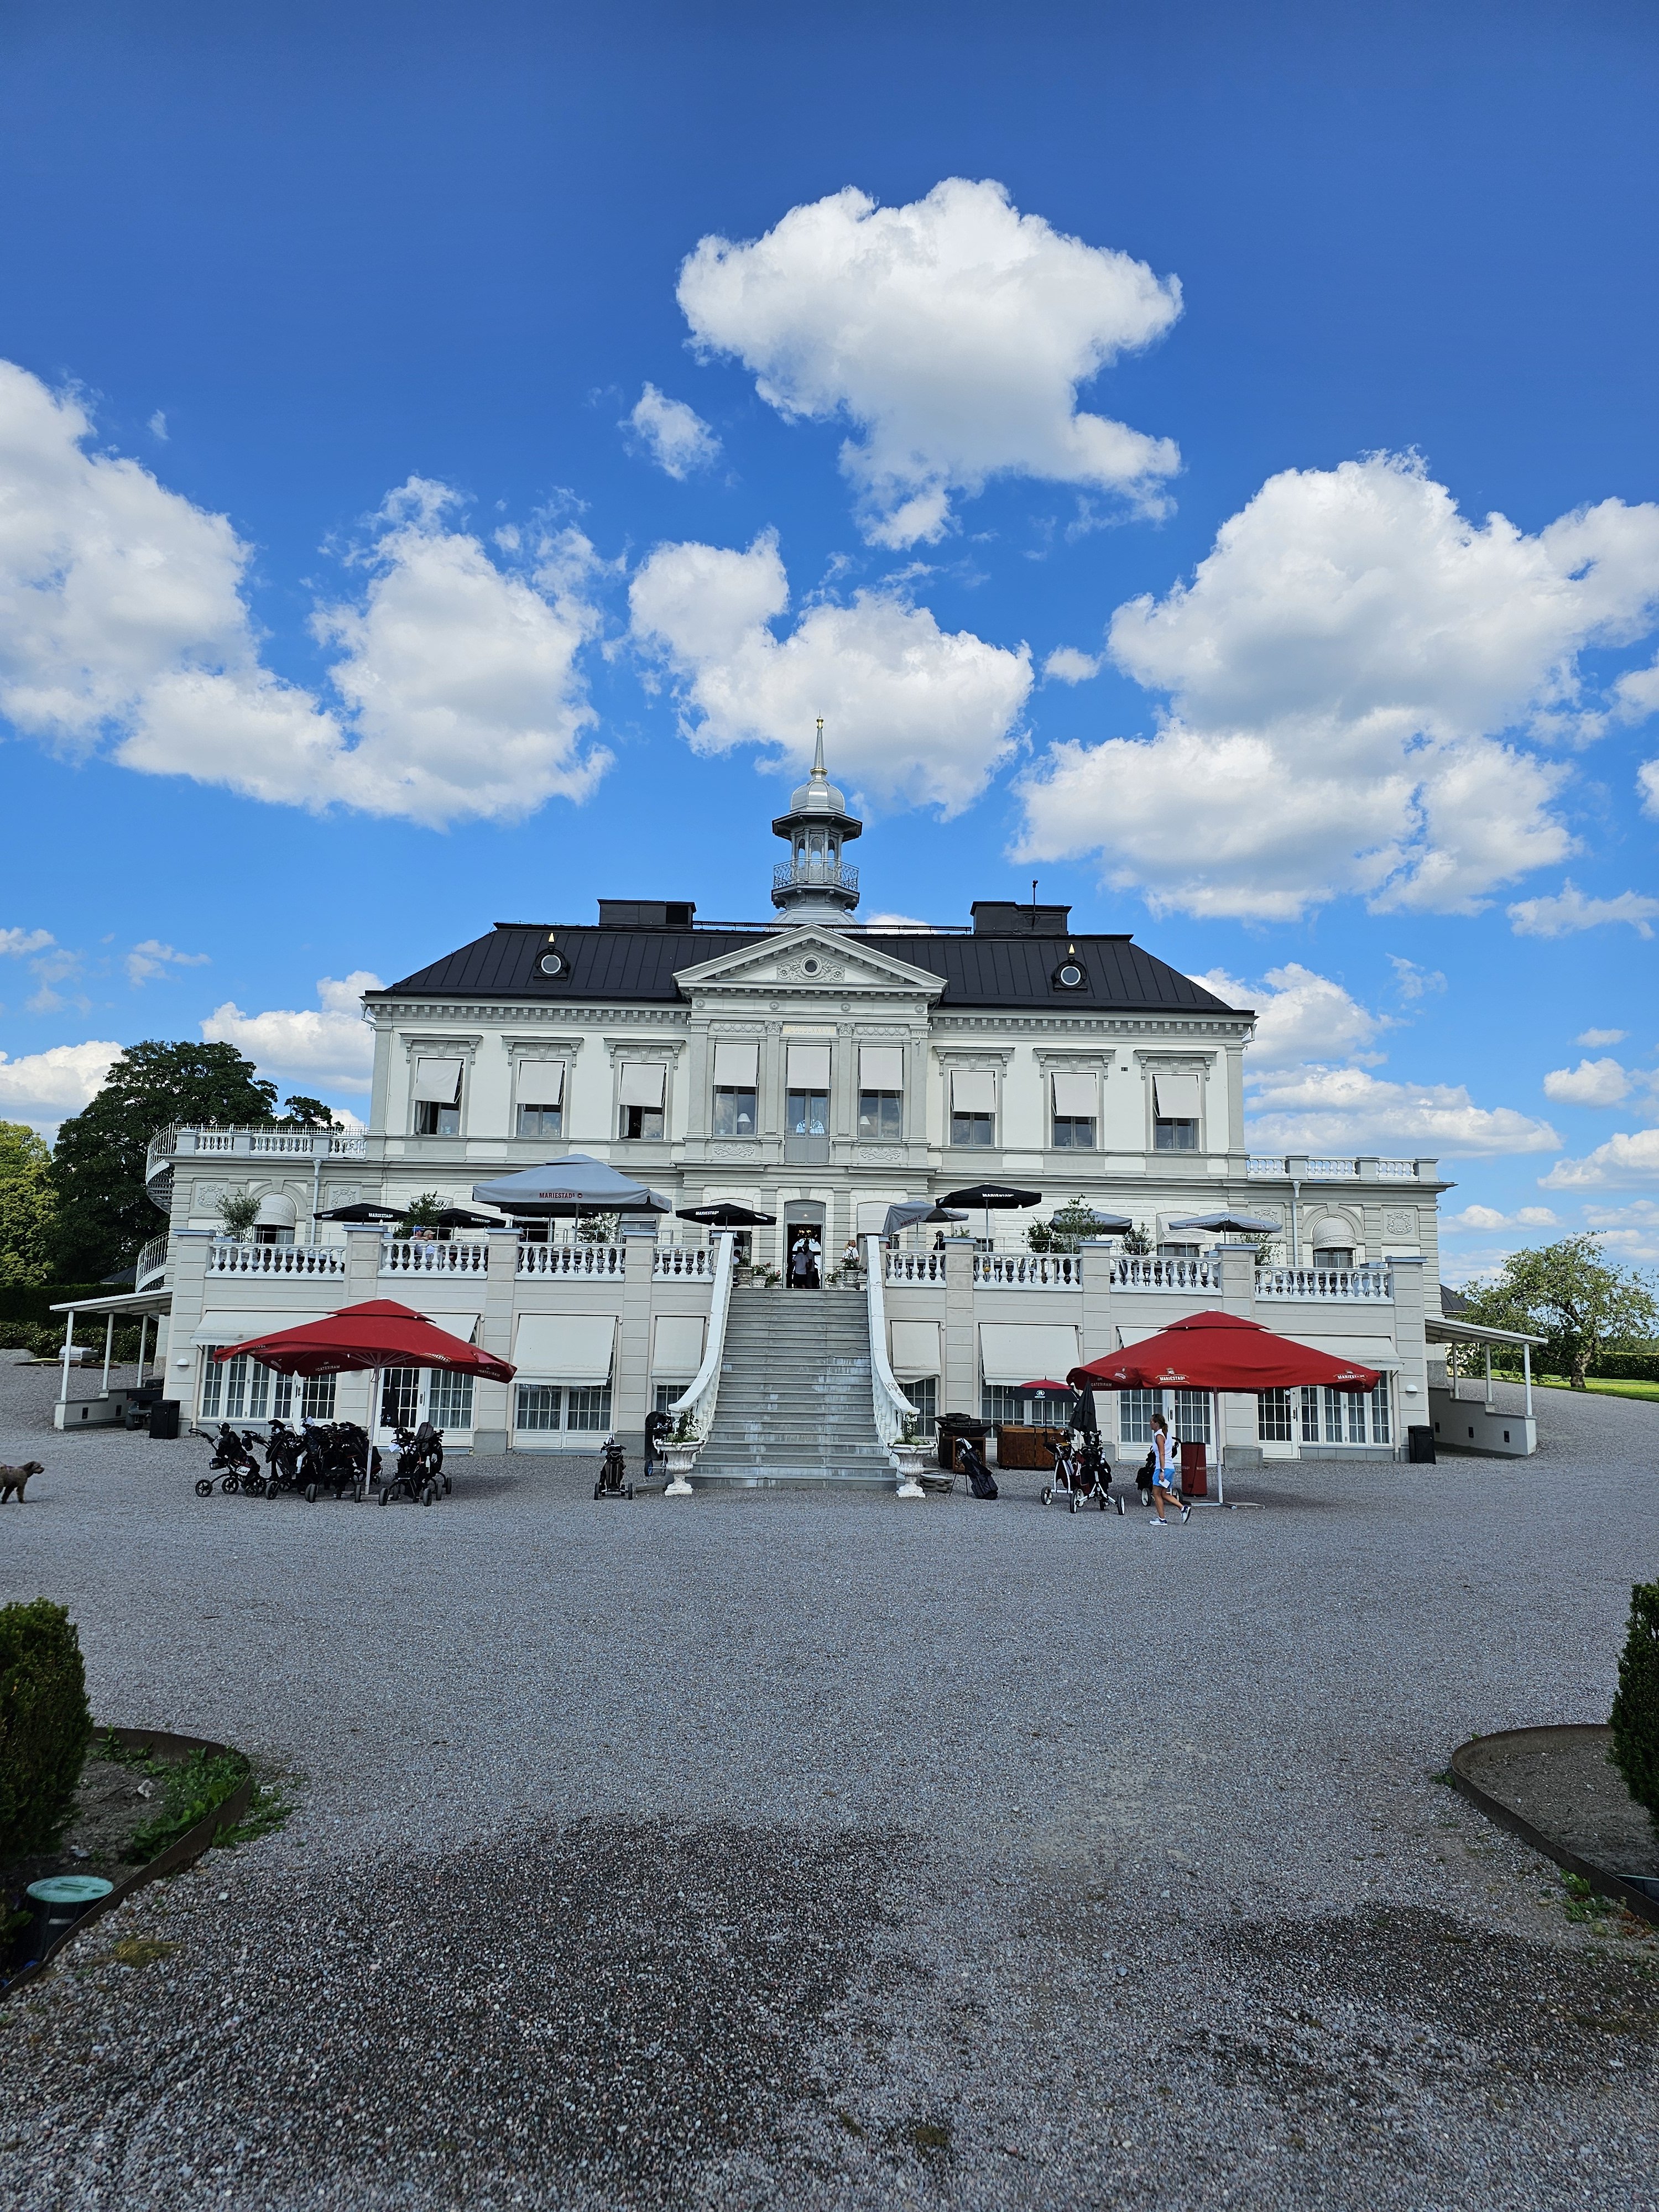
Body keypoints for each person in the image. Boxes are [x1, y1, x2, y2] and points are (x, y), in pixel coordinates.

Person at [1148, 1414, 1191, 1525]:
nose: (1150, 1423)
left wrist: (1162, 1471)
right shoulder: (1167, 1433)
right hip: (1170, 1467)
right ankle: (1183, 1509)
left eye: (1152, 1422)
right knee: (1164, 1494)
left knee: (1156, 1493)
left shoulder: (1159, 1436)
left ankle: (1162, 1519)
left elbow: (1162, 1454)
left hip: (1163, 1468)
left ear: (1156, 1423)